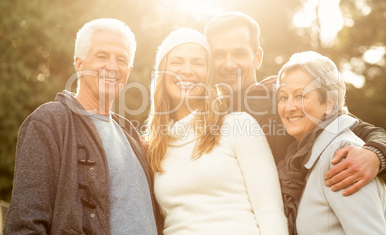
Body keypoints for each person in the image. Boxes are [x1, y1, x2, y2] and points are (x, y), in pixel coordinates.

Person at [204, 11, 386, 196]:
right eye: (219, 55)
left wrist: (375, 155)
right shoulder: (204, 118)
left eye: (239, 53)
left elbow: (370, 133)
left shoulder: (287, 98)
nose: (229, 64)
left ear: (257, 58)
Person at [3, 18, 159, 234]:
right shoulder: (50, 122)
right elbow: (25, 224)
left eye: (121, 59)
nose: (112, 67)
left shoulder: (132, 137)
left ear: (129, 70)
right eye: (102, 56)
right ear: (79, 63)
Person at [145, 28, 288, 234]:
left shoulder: (237, 126)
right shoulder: (155, 147)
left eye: (197, 62)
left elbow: (270, 212)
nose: (187, 70)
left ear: (208, 75)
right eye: (177, 62)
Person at [276, 51, 386, 234]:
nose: (289, 107)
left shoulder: (341, 154)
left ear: (329, 103)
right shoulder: (308, 155)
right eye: (283, 97)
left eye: (301, 96)